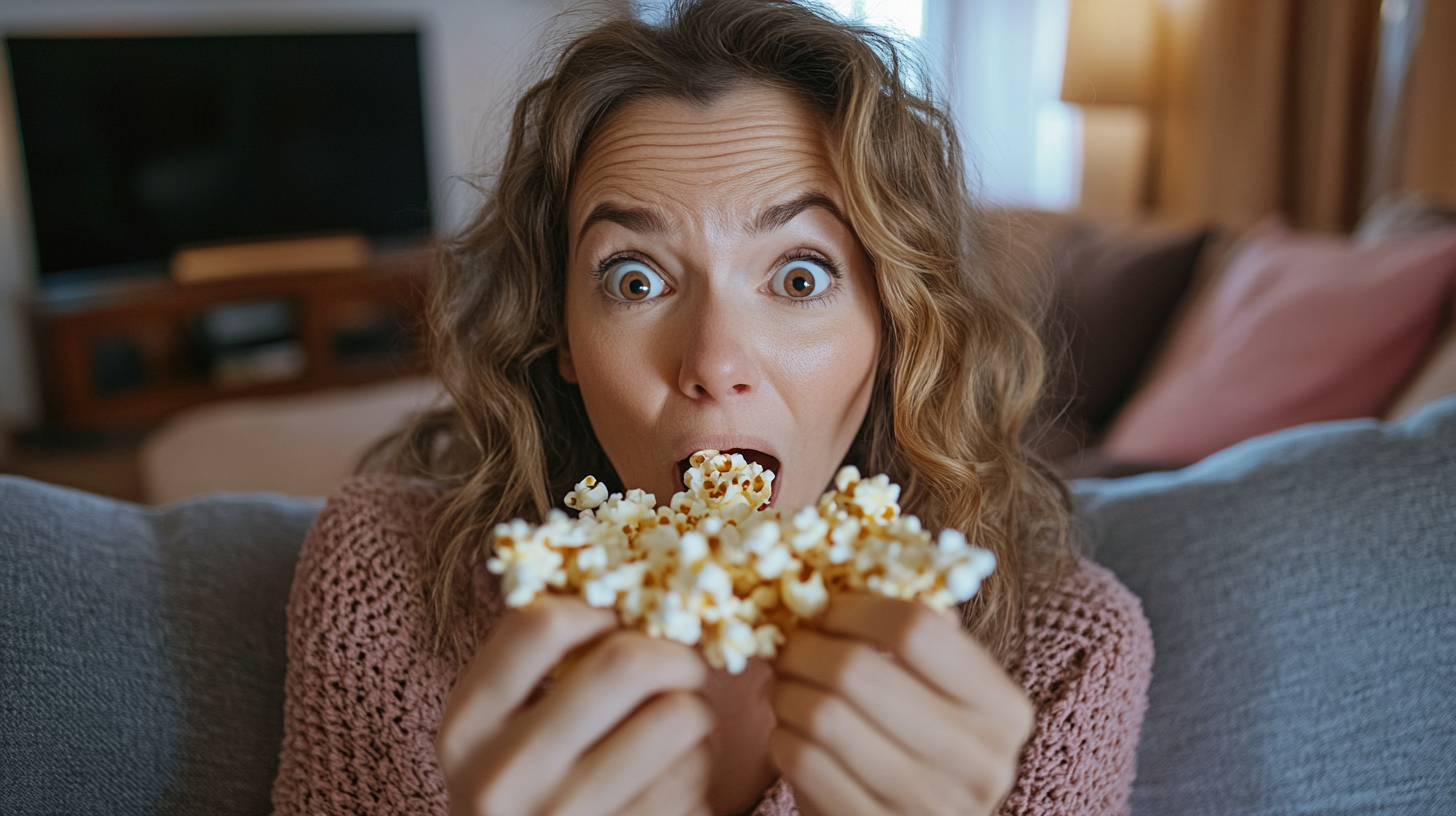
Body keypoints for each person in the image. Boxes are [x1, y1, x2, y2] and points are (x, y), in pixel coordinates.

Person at [269, 1, 1154, 814]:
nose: (714, 364)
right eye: (636, 278)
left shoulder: (1059, 654)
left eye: (799, 277)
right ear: (561, 339)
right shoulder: (387, 576)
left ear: (896, 326)